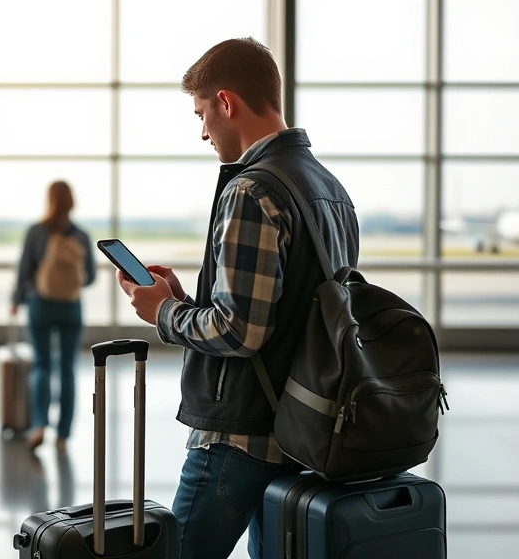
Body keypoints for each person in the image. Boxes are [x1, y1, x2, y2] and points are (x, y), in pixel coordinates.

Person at [115, 37, 360, 559]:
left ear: (227, 102)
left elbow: (238, 330)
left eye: (202, 113)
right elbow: (290, 309)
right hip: (305, 429)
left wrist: (163, 311)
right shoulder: (329, 188)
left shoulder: (252, 189)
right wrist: (186, 297)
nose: (203, 131)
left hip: (241, 438)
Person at [11, 180, 96, 452]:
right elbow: (90, 277)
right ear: (72, 201)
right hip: (71, 307)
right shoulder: (81, 235)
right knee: (68, 368)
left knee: (42, 365)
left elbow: (25, 270)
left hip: (41, 306)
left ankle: (39, 425)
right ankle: (63, 434)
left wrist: (18, 299)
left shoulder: (36, 232)